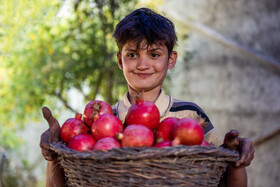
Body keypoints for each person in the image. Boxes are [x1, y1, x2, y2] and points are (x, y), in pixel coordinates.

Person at [40, 8, 255, 187]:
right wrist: (54, 154)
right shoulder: (100, 121)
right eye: (132, 54)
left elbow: (222, 181)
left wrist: (235, 160)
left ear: (170, 60)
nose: (142, 64)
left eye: (154, 54)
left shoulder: (190, 114)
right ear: (120, 60)